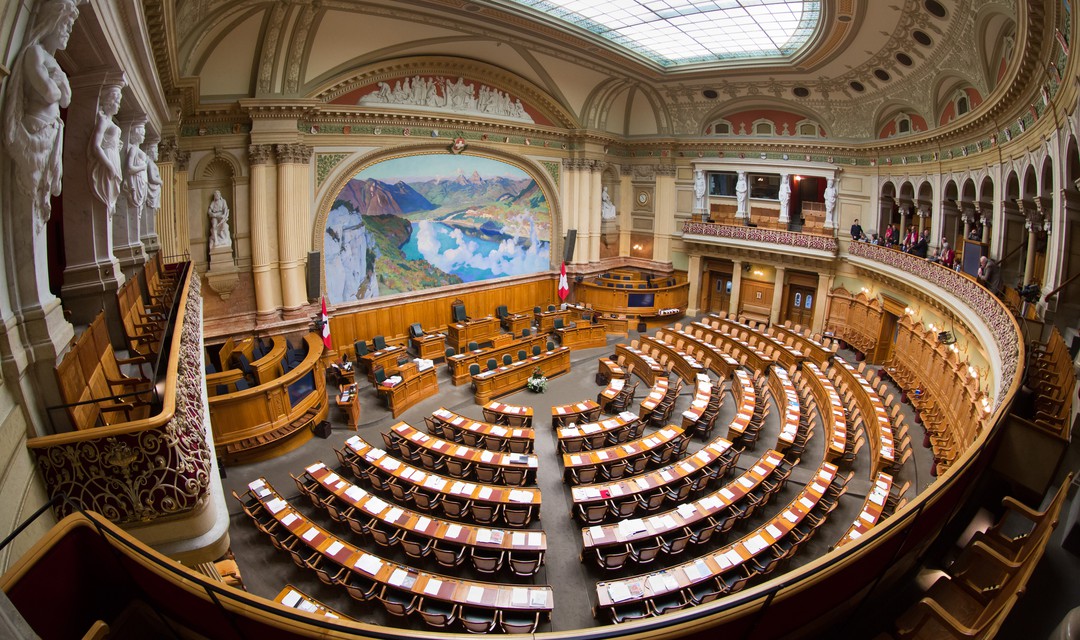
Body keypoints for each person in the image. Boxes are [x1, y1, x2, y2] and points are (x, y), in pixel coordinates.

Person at [3, 0, 79, 233]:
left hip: (51, 132)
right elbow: (51, 93)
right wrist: (58, 85)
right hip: (35, 130)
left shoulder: (52, 62)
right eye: (65, 24)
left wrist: (57, 85)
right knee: (31, 188)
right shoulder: (34, 53)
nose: (68, 31)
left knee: (42, 190)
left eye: (69, 26)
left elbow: (64, 99)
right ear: (52, 22)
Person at [88, 83, 124, 217]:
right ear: (109, 102)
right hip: (108, 157)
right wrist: (109, 165)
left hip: (114, 156)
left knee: (112, 194)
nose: (119, 105)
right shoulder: (103, 121)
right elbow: (96, 146)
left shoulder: (110, 122)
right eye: (117, 102)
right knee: (107, 194)